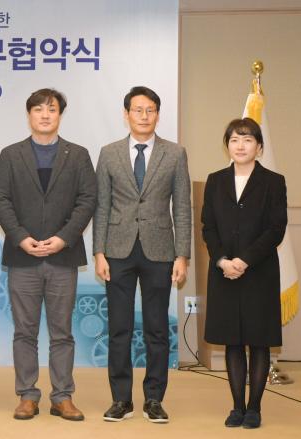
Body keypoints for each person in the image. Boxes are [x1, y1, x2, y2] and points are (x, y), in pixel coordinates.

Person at [0, 88, 96, 421]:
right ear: (29, 115)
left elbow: (87, 200)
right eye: (38, 109)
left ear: (60, 115)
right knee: (24, 331)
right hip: (23, 257)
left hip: (63, 257)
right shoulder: (11, 154)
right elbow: (1, 199)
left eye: (51, 109)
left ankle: (62, 396)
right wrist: (21, 238)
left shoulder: (77, 155)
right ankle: (27, 395)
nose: (45, 115)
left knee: (61, 332)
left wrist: (64, 238)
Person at [93, 86, 191, 423]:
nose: (144, 116)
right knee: (119, 328)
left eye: (150, 110)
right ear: (126, 114)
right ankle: (121, 399)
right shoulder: (109, 153)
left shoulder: (175, 153)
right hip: (117, 251)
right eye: (138, 110)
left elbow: (182, 207)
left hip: (159, 251)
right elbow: (102, 206)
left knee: (157, 329)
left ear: (158, 115)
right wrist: (99, 251)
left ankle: (154, 399)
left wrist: (182, 255)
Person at [202, 117, 287, 429]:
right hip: (223, 272)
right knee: (233, 341)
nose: (241, 146)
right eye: (235, 140)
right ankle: (237, 407)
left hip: (259, 272)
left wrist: (244, 261)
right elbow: (208, 226)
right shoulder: (215, 180)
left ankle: (255, 408)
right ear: (227, 145)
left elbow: (275, 229)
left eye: (248, 140)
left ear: (259, 147)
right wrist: (222, 260)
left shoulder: (273, 181)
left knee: (259, 341)